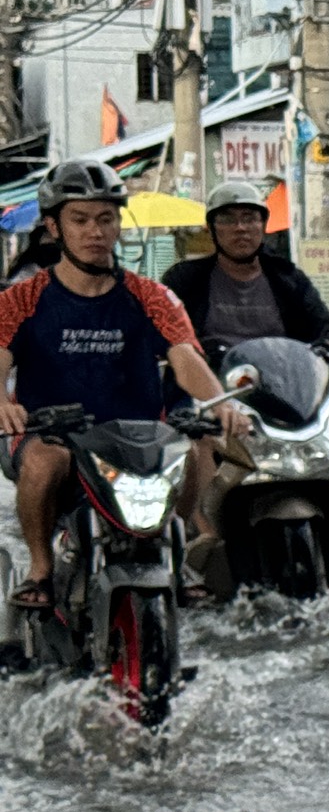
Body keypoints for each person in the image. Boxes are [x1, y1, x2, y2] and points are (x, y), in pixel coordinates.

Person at [0, 160, 248, 609]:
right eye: (80, 220)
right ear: (54, 227)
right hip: (50, 435)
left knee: (191, 447)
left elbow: (184, 355)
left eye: (106, 218)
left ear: (118, 225)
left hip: (135, 437)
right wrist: (2, 401)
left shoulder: (152, 296)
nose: (95, 231)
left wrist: (218, 402)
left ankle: (177, 548)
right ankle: (39, 568)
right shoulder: (21, 298)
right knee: (43, 462)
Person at [162, 181, 329, 364]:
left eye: (249, 218)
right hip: (210, 387)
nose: (240, 228)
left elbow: (322, 322)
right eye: (228, 220)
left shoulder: (287, 278)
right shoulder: (185, 279)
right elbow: (164, 328)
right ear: (212, 229)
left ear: (262, 225)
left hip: (282, 383)